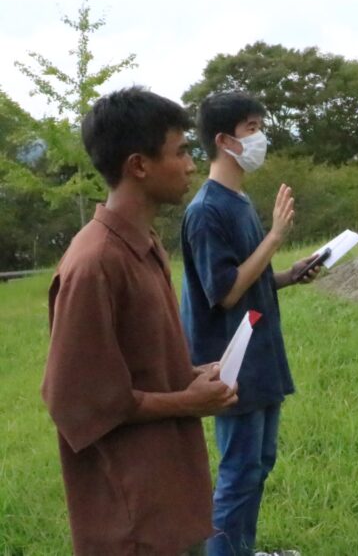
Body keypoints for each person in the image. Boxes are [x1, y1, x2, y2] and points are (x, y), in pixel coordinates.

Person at [41, 87, 238, 555]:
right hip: (129, 517)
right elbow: (76, 399)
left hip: (167, 497)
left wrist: (188, 376)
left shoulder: (144, 244)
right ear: (139, 165)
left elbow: (132, 366)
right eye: (181, 151)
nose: (192, 164)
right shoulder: (95, 263)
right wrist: (185, 403)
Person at [180, 92, 321, 556]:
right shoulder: (206, 210)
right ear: (224, 140)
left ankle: (241, 549)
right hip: (231, 363)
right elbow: (224, 292)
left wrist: (288, 275)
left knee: (259, 463)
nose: (261, 137)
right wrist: (277, 236)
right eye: (252, 127)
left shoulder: (238, 200)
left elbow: (251, 277)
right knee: (239, 471)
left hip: (260, 355)